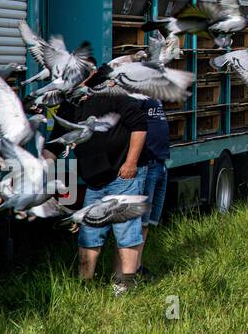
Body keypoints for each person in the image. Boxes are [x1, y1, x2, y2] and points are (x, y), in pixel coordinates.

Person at [46, 74, 148, 295]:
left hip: (123, 177)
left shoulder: (112, 96)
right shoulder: (68, 107)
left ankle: (126, 285)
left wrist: (131, 163)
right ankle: (85, 285)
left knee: (126, 231)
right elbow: (55, 143)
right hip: (93, 180)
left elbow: (140, 125)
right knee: (89, 233)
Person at [135, 96, 170, 279]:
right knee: (140, 221)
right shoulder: (137, 92)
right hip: (147, 164)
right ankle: (131, 268)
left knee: (147, 222)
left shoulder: (154, 93)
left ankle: (138, 265)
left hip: (160, 161)